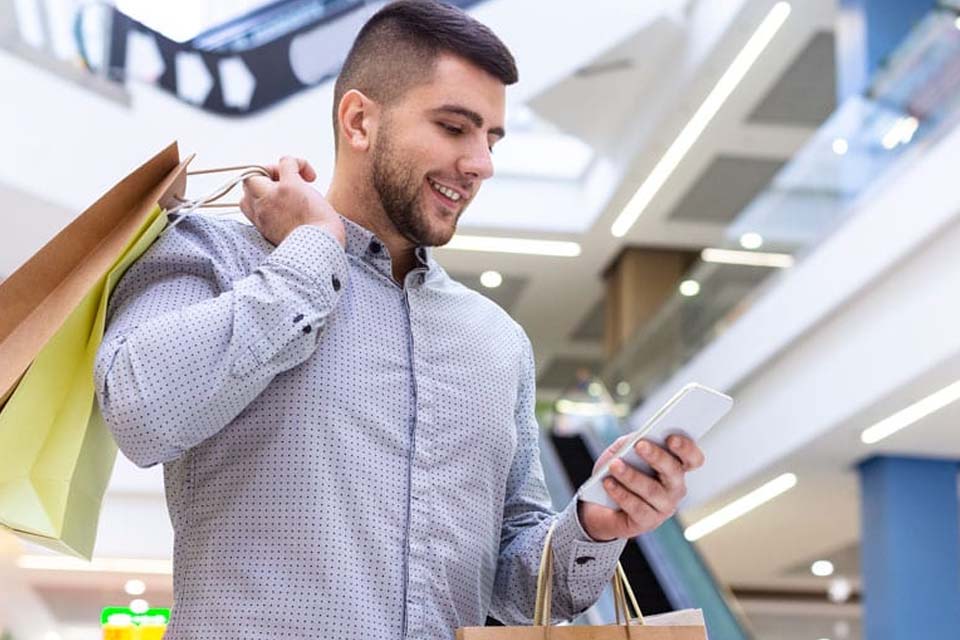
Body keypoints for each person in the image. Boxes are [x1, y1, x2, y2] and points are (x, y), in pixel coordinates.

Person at [94, 2, 705, 639]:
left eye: (490, 138)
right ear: (359, 120)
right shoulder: (213, 250)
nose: (481, 164)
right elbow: (140, 412)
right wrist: (313, 252)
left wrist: (595, 525)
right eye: (454, 127)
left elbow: (514, 588)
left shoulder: (497, 343)